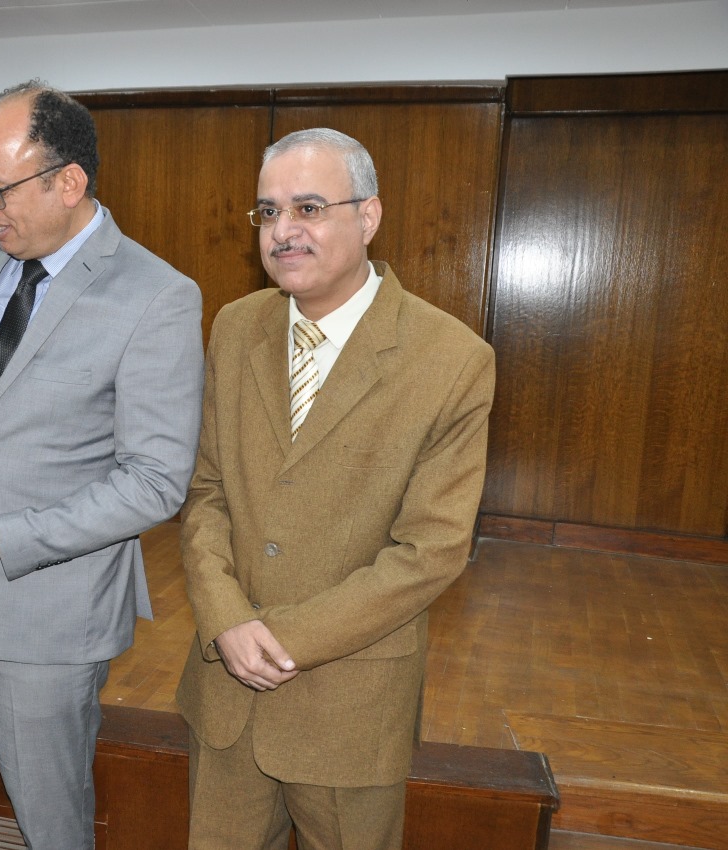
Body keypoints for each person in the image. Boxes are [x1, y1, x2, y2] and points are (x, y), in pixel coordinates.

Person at [0, 81, 204, 850]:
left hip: (48, 615)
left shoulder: (157, 296)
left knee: (50, 824)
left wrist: (3, 535)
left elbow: (155, 482)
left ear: (69, 182)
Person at [176, 129, 496, 850]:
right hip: (225, 691)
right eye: (268, 212)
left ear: (368, 216)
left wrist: (283, 639)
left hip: (351, 708)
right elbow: (208, 492)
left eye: (309, 208)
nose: (283, 231)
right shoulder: (235, 327)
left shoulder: (453, 360)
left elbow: (431, 551)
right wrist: (226, 618)